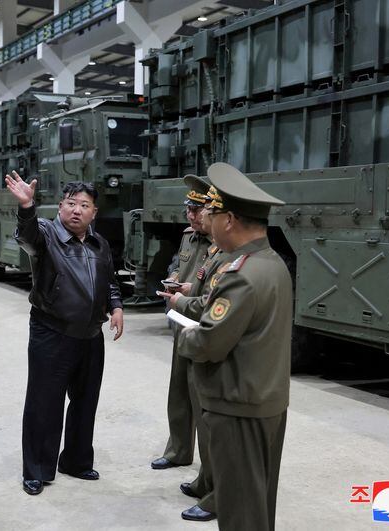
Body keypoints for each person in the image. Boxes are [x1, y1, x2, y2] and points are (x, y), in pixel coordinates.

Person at [176, 162, 291, 531]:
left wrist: (186, 335)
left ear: (229, 220)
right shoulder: (271, 263)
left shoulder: (240, 275)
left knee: (240, 511)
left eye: (211, 214)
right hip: (265, 400)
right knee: (257, 505)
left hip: (238, 406)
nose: (207, 222)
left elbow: (209, 343)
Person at [5, 170, 124, 496]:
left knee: (85, 402)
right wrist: (26, 207)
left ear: (93, 213)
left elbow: (110, 281)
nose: (76, 210)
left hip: (91, 335)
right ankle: (37, 470)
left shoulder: (99, 244)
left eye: (84, 205)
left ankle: (76, 460)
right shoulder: (46, 235)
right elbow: (27, 237)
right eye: (71, 203)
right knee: (44, 403)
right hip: (52, 331)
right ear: (60, 207)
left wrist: (116, 306)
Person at [151, 175, 212, 474]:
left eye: (197, 210)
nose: (191, 215)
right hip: (182, 323)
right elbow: (179, 264)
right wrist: (174, 277)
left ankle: (209, 469)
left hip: (205, 328)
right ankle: (178, 451)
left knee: (202, 399)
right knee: (178, 393)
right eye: (188, 209)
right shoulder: (189, 236)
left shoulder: (221, 244)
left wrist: (190, 290)